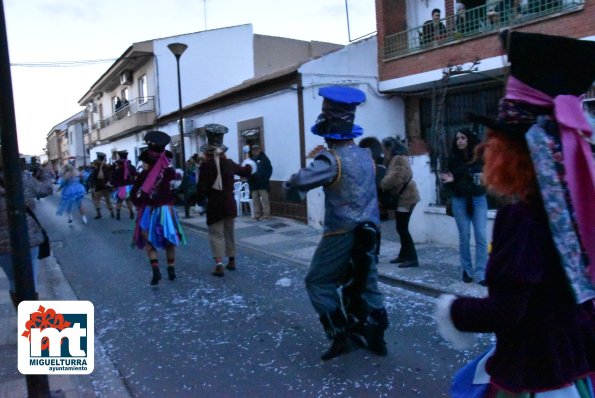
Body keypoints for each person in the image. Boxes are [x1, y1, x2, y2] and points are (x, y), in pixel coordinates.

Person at [435, 30, 595, 396]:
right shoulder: (576, 203)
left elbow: (507, 311)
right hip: (577, 363)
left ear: (509, 152)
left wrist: (451, 310)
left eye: (495, 142)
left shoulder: (521, 218)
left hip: (537, 376)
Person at [284, 86, 388, 361]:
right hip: (371, 229)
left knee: (318, 281)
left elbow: (298, 181)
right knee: (368, 282)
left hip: (341, 231)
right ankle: (377, 336)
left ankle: (340, 335)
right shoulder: (366, 156)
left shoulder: (331, 158)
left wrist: (289, 188)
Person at [196, 124, 253, 277]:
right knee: (229, 233)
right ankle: (232, 260)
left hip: (214, 206)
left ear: (207, 152)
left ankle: (219, 264)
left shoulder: (205, 167)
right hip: (229, 204)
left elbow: (201, 189)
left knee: (216, 234)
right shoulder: (229, 163)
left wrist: (199, 200)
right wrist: (248, 161)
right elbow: (246, 171)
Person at [130, 131, 186, 285]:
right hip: (167, 211)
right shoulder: (170, 172)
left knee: (149, 241)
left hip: (149, 211)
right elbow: (175, 187)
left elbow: (134, 194)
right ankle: (171, 270)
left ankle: (156, 271)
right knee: (170, 240)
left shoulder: (143, 175)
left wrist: (138, 203)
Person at [0, 152, 53, 306]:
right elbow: (46, 190)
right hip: (27, 238)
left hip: (2, 244)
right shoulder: (22, 178)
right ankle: (29, 322)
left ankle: (22, 316)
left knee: (13, 282)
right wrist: (45, 173)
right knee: (30, 282)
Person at [439, 129, 487, 285]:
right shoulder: (452, 158)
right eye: (458, 138)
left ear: (470, 140)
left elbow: (487, 178)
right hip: (459, 199)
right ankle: (466, 271)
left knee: (481, 236)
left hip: (478, 199)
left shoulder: (480, 157)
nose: (459, 141)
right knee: (464, 236)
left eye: (463, 138)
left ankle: (481, 273)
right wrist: (450, 181)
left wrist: (483, 177)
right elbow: (445, 182)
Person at [380, 137, 420, 268]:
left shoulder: (398, 159)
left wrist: (382, 183)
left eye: (384, 148)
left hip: (406, 197)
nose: (383, 151)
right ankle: (403, 255)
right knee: (401, 227)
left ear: (389, 147)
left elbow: (396, 177)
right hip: (403, 197)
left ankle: (412, 258)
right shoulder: (397, 158)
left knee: (402, 228)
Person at [247, 144, 273, 221]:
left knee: (265, 199)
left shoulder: (264, 159)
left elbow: (269, 169)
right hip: (253, 183)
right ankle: (257, 214)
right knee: (255, 200)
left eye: (256, 150)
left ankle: (266, 215)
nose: (255, 151)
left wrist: (265, 178)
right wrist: (249, 179)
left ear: (259, 150)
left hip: (263, 183)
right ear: (252, 151)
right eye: (253, 150)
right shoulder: (250, 159)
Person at [111, 150, 137, 220]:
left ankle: (118, 214)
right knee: (129, 201)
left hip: (121, 187)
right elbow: (135, 176)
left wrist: (113, 186)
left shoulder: (118, 170)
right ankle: (131, 213)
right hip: (130, 187)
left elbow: (114, 179)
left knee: (119, 201)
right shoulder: (132, 167)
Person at [89, 152, 115, 219]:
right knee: (108, 200)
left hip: (98, 186)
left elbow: (93, 177)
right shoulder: (107, 166)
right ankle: (112, 212)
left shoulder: (95, 166)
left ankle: (98, 213)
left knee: (96, 200)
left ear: (98, 157)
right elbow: (111, 174)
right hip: (106, 186)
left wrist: (92, 186)